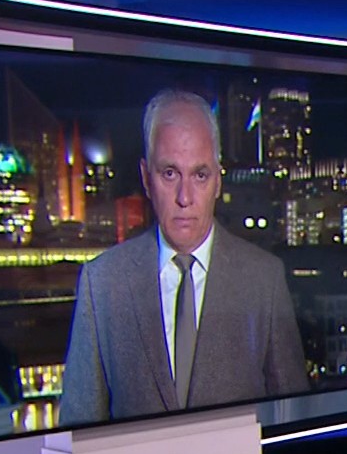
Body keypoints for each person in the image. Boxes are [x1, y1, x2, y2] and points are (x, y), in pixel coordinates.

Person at [58, 90, 308, 426]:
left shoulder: (264, 279)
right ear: (147, 178)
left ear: (218, 180)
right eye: (170, 174)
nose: (185, 197)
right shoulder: (102, 282)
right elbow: (78, 430)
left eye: (200, 175)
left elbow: (293, 423)